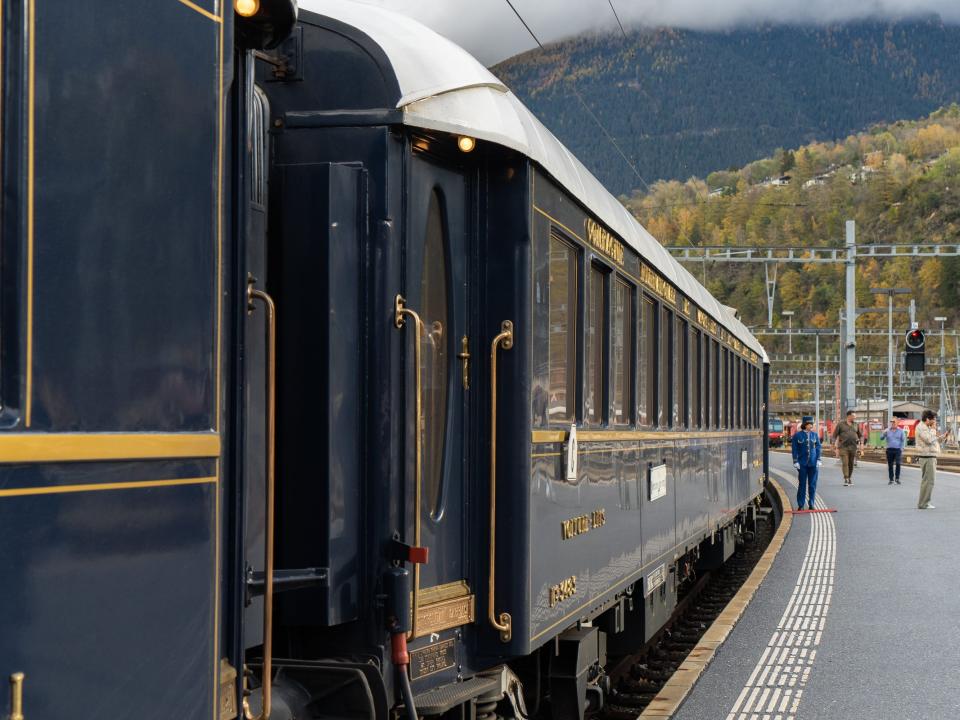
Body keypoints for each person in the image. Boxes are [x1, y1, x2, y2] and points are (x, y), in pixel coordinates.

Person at [916, 410, 949, 509]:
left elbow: (934, 440)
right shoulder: (921, 427)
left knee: (927, 481)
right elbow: (929, 440)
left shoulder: (927, 427)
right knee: (929, 481)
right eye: (933, 419)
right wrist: (934, 430)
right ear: (927, 419)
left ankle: (923, 502)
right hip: (927, 457)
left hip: (930, 456)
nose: (934, 421)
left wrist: (943, 437)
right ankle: (923, 503)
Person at [791, 418, 822, 510]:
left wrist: (818, 459)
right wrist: (795, 461)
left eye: (811, 424)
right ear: (804, 425)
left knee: (812, 484)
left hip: (813, 463)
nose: (811, 426)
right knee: (802, 484)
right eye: (809, 424)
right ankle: (801, 504)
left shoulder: (815, 435)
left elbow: (818, 448)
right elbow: (794, 449)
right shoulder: (797, 435)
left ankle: (811, 504)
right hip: (802, 464)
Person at [832, 410, 863, 486]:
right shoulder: (841, 424)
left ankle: (849, 478)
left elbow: (860, 435)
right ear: (849, 416)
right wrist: (833, 445)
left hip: (853, 447)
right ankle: (846, 478)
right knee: (845, 463)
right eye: (853, 416)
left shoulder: (856, 424)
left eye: (855, 416)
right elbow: (834, 435)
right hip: (843, 447)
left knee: (851, 464)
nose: (855, 417)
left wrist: (861, 444)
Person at [881, 418, 906, 485]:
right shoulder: (887, 430)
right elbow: (881, 438)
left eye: (894, 422)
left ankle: (897, 478)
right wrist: (883, 434)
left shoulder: (901, 431)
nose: (892, 423)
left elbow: (903, 440)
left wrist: (902, 448)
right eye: (891, 422)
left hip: (898, 450)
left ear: (897, 423)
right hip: (889, 450)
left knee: (898, 463)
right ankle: (891, 479)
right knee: (890, 465)